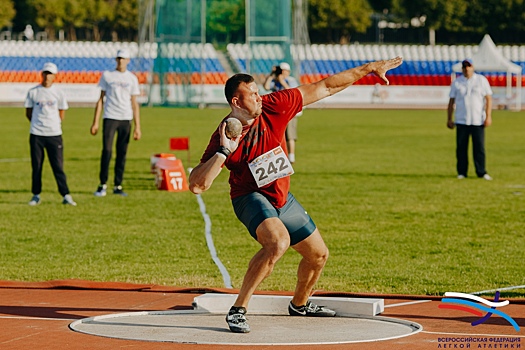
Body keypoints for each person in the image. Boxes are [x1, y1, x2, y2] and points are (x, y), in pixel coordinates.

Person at [189, 56, 403, 333]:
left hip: (281, 197)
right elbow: (197, 184)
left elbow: (325, 87)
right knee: (278, 242)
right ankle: (238, 309)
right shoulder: (224, 135)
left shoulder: (274, 105)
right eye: (252, 95)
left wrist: (369, 69)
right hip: (249, 197)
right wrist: (224, 151)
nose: (259, 97)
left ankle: (299, 304)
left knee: (318, 255)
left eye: (257, 91)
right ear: (236, 103)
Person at [91, 49, 141, 197]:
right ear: (116, 59)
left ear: (128, 60)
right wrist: (95, 122)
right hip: (110, 116)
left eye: (123, 59)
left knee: (122, 153)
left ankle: (118, 185)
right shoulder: (107, 76)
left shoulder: (132, 79)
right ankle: (102, 184)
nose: (121, 61)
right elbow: (100, 100)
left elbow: (134, 103)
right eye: (119, 58)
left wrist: (138, 126)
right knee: (107, 151)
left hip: (126, 118)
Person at [25, 62, 76, 206]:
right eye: (46, 73)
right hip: (37, 134)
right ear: (42, 74)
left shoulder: (59, 93)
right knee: (37, 166)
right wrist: (38, 124)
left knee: (58, 166)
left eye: (50, 74)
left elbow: (61, 113)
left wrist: (52, 124)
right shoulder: (33, 92)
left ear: (55, 76)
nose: (47, 77)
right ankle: (36, 194)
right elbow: (28, 113)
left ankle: (65, 194)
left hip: (54, 134)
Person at [447, 58, 493, 180]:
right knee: (461, 148)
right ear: (462, 68)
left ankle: (481, 172)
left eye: (469, 66)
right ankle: (462, 172)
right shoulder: (457, 83)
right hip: (462, 120)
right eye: (464, 67)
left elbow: (488, 99)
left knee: (479, 148)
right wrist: (449, 118)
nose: (467, 69)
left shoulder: (481, 80)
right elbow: (451, 101)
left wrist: (488, 116)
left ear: (473, 67)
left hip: (478, 120)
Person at [263, 62, 301, 163]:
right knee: (277, 134)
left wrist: (283, 82)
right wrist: (271, 75)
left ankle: (291, 155)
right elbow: (266, 87)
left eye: (284, 70)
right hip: (277, 112)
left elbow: (292, 92)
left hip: (289, 111)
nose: (282, 73)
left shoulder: (291, 81)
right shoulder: (275, 81)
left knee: (290, 134)